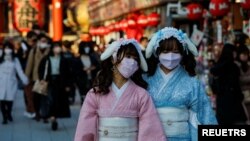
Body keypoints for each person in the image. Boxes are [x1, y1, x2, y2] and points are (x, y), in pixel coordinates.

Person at [74, 39, 166, 141]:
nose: (132, 62)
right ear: (113, 59)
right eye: (128, 56)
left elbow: (150, 131)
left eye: (135, 59)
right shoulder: (95, 94)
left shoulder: (142, 95)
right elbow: (85, 129)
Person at [144, 27, 217, 141]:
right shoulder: (145, 80)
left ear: (182, 53)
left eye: (176, 51)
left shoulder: (191, 82)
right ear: (157, 52)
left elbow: (204, 114)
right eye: (165, 51)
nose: (171, 56)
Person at [210, 33, 248, 125]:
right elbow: (235, 84)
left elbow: (213, 86)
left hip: (222, 104)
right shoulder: (233, 67)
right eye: (233, 52)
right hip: (233, 103)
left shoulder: (216, 68)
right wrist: (240, 96)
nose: (235, 54)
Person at [38, 41, 71, 130]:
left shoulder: (63, 59)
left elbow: (68, 73)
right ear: (52, 48)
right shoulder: (46, 59)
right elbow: (41, 70)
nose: (58, 49)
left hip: (60, 82)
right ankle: (52, 116)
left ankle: (54, 117)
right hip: (49, 81)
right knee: (50, 99)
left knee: (58, 100)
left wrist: (68, 85)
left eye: (59, 47)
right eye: (56, 47)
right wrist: (42, 79)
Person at [0, 42, 28, 124]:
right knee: (1, 100)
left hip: (11, 82)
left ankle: (9, 113)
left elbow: (19, 71)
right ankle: (4, 117)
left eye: (9, 48)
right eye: (6, 48)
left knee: (10, 100)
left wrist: (24, 79)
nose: (7, 50)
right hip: (1, 82)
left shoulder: (15, 59)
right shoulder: (0, 58)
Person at [25, 33, 51, 120]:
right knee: (36, 97)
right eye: (42, 41)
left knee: (46, 97)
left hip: (47, 77)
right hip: (36, 77)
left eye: (45, 41)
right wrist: (27, 76)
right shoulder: (34, 50)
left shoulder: (50, 50)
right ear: (39, 41)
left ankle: (45, 114)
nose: (43, 42)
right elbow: (30, 64)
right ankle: (37, 112)